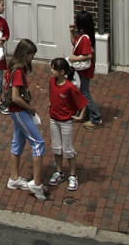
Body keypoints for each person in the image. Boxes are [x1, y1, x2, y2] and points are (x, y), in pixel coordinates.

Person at [5, 38, 48, 201]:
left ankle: (14, 179)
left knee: (18, 142)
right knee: (38, 143)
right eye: (31, 55)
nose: (32, 59)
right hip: (19, 111)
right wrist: (30, 108)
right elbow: (16, 97)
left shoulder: (12, 68)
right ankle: (36, 183)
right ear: (25, 55)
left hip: (15, 112)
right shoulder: (18, 72)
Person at [48, 56, 88, 191]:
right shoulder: (52, 82)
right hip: (54, 120)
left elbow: (82, 102)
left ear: (62, 72)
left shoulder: (70, 87)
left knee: (68, 150)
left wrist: (80, 117)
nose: (51, 71)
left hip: (66, 122)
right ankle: (59, 172)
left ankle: (72, 175)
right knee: (56, 148)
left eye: (54, 69)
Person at [68, 10, 103, 128]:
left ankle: (96, 118)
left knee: (84, 93)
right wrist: (71, 32)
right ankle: (86, 114)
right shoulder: (82, 35)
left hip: (85, 70)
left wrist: (75, 59)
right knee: (82, 92)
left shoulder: (85, 38)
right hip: (82, 70)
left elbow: (88, 55)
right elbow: (75, 44)